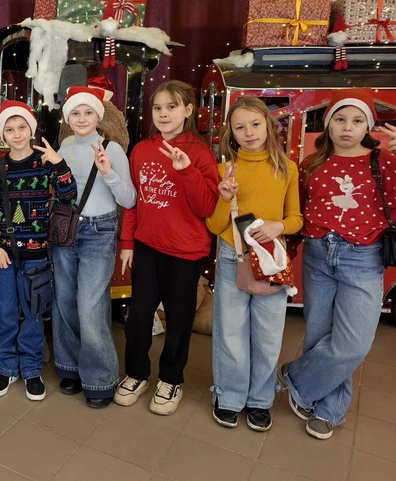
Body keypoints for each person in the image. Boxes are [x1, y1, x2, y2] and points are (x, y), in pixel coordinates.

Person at [281, 88, 395, 440]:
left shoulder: (385, 162)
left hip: (364, 258)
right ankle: (328, 409)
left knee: (353, 343)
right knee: (320, 334)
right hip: (318, 253)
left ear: (369, 126)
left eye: (357, 120)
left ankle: (295, 377)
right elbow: (299, 211)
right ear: (328, 124)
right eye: (340, 119)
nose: (348, 127)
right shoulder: (310, 164)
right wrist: (287, 253)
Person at [116, 80, 219, 415]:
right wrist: (127, 242)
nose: (163, 114)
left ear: (188, 110)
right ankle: (136, 374)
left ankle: (171, 379)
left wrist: (186, 170)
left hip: (186, 254)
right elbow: (133, 201)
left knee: (178, 321)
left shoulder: (200, 153)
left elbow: (207, 207)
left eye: (171, 107)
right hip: (147, 247)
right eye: (158, 107)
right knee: (139, 316)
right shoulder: (141, 150)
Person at [206, 97, 302, 431]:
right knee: (231, 331)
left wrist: (280, 226)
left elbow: (296, 218)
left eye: (255, 124)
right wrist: (225, 197)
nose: (249, 132)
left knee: (268, 334)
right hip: (233, 255)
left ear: (268, 125)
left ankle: (260, 399)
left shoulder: (287, 168)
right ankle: (229, 396)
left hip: (271, 260)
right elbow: (214, 225)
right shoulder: (224, 170)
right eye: (240, 127)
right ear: (230, 133)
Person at [0, 101, 77, 401]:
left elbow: (68, 196)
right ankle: (7, 367)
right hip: (4, 255)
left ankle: (32, 369)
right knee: (7, 312)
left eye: (22, 127)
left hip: (36, 255)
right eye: (9, 129)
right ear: (2, 135)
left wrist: (59, 164)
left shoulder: (44, 164)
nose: (17, 134)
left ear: (31, 129)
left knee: (33, 313)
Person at [53, 86, 136, 408]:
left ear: (98, 116)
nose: (81, 118)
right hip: (66, 230)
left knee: (90, 305)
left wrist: (108, 172)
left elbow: (129, 199)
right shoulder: (64, 146)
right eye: (75, 113)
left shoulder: (112, 149)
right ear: (67, 118)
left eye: (88, 112)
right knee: (65, 301)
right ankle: (71, 367)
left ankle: (100, 378)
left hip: (99, 231)